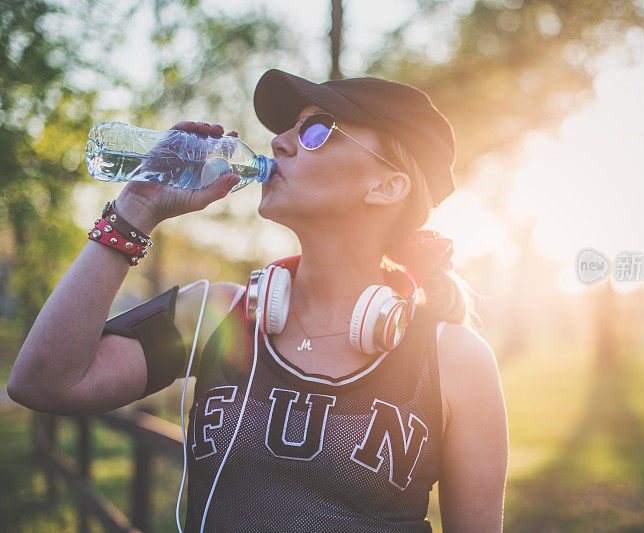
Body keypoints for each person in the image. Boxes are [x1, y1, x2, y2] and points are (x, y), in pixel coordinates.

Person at [9, 68, 508, 532]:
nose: (279, 142)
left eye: (318, 130)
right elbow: (43, 383)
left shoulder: (455, 362)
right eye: (289, 128)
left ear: (387, 185)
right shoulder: (214, 317)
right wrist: (135, 210)